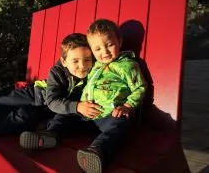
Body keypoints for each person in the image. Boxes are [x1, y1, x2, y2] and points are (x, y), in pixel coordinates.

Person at [20, 19, 147, 173]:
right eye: (98, 49)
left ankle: (97, 151)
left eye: (109, 45)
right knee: (65, 116)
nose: (104, 52)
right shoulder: (95, 65)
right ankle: (49, 135)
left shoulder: (127, 65)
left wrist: (128, 106)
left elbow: (140, 87)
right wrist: (80, 107)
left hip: (109, 115)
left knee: (120, 125)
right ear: (92, 51)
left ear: (119, 41)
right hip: (86, 114)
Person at [0, 33, 94, 137]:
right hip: (34, 93)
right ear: (64, 61)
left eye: (87, 60)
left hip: (43, 110)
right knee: (0, 103)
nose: (82, 66)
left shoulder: (93, 76)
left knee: (19, 120)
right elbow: (52, 100)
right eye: (75, 61)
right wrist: (76, 106)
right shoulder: (57, 72)